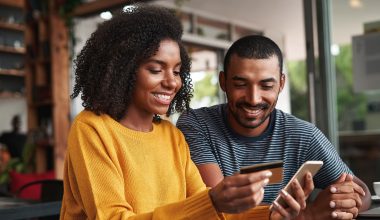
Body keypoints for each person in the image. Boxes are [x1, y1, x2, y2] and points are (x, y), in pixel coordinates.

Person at [60, 5, 304, 219]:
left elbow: (209, 212)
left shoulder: (171, 135)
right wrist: (210, 202)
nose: (172, 82)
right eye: (156, 69)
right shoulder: (92, 129)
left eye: (177, 71)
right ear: (122, 71)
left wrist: (271, 215)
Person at [177, 35, 371, 219]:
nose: (253, 99)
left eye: (266, 86)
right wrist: (308, 216)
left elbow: (362, 194)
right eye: (241, 84)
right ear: (223, 82)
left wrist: (339, 201)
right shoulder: (197, 125)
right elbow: (222, 210)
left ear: (281, 84)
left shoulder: (303, 135)